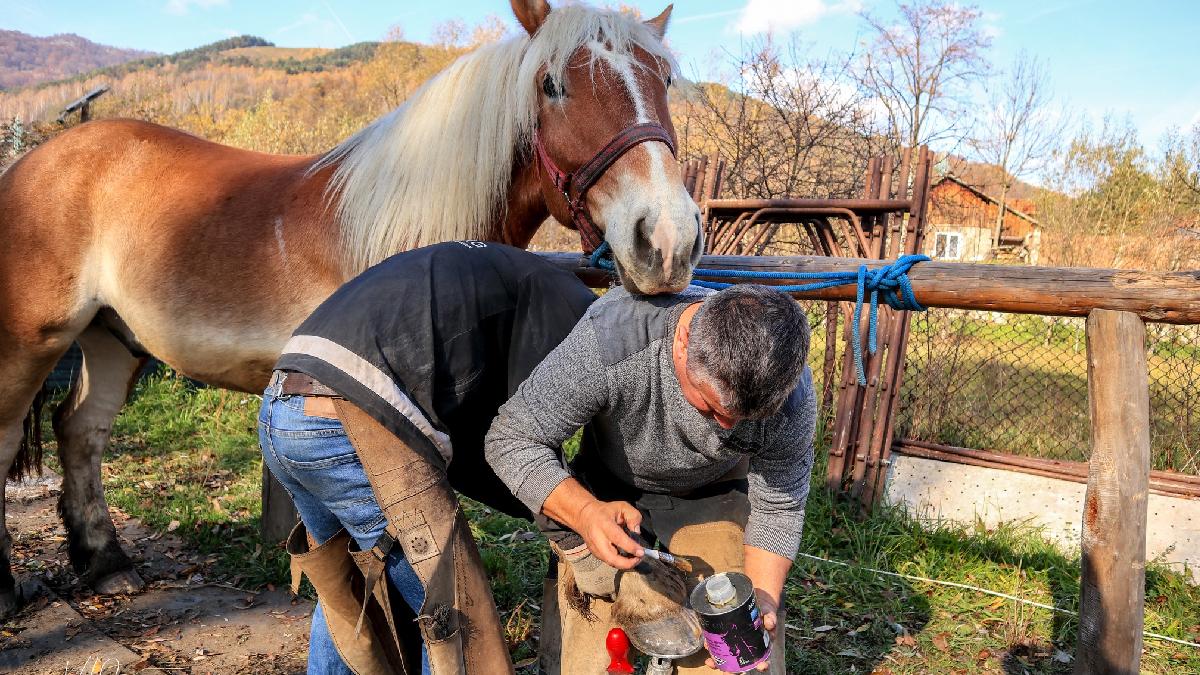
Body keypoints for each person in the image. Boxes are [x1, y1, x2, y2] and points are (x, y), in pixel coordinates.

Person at [257, 240, 596, 675]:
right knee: (450, 610)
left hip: (281, 405)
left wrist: (546, 501)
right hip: (346, 422)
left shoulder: (515, 282)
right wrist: (563, 509)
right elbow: (506, 443)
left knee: (348, 588)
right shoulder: (572, 325)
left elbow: (476, 449)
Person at [486, 282, 816, 674]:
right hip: (609, 489)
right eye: (710, 408)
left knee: (735, 660)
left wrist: (761, 598)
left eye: (744, 420)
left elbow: (780, 504)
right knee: (592, 660)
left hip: (713, 491)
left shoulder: (788, 395)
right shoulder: (611, 340)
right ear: (682, 341)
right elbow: (511, 438)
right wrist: (586, 514)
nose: (726, 427)